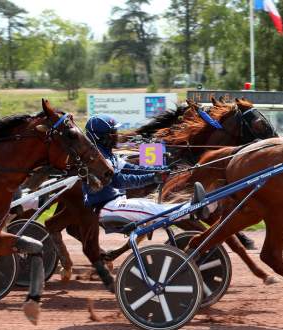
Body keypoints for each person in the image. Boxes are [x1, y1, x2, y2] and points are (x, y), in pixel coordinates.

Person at [82, 114, 208, 292]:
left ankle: (192, 208)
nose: (117, 136)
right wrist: (153, 177)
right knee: (149, 208)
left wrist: (161, 170)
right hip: (106, 207)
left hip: (116, 202)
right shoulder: (95, 159)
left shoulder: (108, 155)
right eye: (112, 133)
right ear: (99, 137)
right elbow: (120, 180)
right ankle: (192, 210)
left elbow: (133, 168)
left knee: (149, 206)